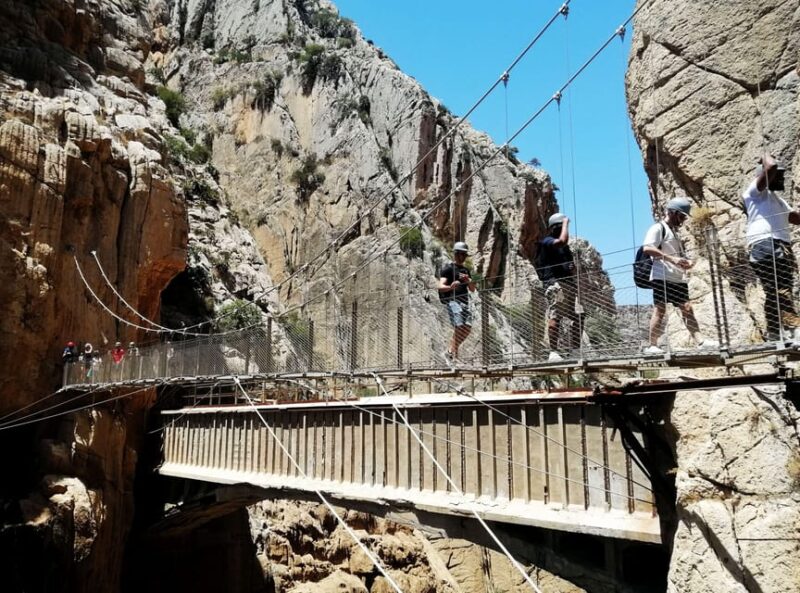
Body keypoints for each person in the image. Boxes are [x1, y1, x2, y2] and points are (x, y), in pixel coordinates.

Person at [642, 197, 718, 354]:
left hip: (676, 277)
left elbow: (673, 253)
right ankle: (653, 345)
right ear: (673, 213)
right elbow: (647, 248)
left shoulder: (673, 232)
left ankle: (701, 342)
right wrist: (673, 259)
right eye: (682, 216)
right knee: (660, 309)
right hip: (661, 276)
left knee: (687, 308)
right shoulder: (658, 228)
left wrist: (684, 262)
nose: (683, 220)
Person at [743, 154, 800, 342]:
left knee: (772, 290)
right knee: (782, 287)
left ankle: (775, 332)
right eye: (779, 176)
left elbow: (794, 218)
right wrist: (764, 157)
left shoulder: (777, 199)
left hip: (773, 245)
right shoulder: (754, 193)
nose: (781, 179)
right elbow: (771, 165)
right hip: (769, 244)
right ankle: (795, 330)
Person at [537, 213, 583, 362]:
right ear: (555, 227)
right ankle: (553, 352)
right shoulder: (547, 241)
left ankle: (575, 350)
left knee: (579, 315)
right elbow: (561, 241)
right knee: (555, 316)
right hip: (554, 283)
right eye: (560, 226)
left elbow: (571, 267)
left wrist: (572, 268)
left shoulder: (565, 248)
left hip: (568, 284)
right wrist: (565, 223)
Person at [438, 241, 477, 362]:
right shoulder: (448, 269)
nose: (463, 257)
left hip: (465, 302)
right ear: (455, 254)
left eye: (465, 255)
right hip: (453, 301)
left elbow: (472, 289)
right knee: (459, 326)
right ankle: (450, 353)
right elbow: (440, 286)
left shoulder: (466, 270)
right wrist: (451, 287)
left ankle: (450, 351)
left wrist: (468, 280)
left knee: (467, 328)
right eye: (461, 254)